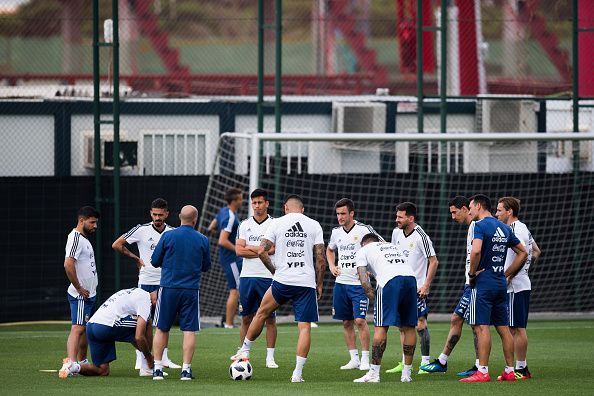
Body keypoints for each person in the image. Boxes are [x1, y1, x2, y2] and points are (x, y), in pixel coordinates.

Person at [230, 194, 326, 383]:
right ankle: (297, 374)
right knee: (304, 328)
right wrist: (320, 283)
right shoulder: (314, 225)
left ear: (285, 208)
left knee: (261, 313)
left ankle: (245, 349)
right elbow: (321, 259)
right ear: (303, 209)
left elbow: (261, 251)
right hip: (305, 283)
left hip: (282, 280)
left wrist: (274, 271)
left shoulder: (276, 223)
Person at [460, 194, 528, 383]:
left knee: (482, 327)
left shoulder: (479, 226)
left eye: (471, 207)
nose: (470, 211)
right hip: (500, 283)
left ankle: (482, 371)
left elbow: (476, 251)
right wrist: (506, 273)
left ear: (479, 206)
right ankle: (509, 370)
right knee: (504, 329)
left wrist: (472, 274)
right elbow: (523, 252)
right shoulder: (505, 228)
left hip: (484, 283)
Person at [111, 198, 180, 374]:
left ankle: (163, 358)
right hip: (145, 281)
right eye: (154, 214)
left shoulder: (172, 232)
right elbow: (117, 244)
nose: (157, 217)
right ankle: (140, 358)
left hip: (165, 281)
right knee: (143, 321)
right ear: (150, 213)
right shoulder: (141, 230)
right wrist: (135, 258)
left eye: (160, 214)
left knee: (163, 320)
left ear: (167, 214)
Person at [420, 196, 480, 376]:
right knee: (459, 320)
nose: (453, 217)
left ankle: (484, 367)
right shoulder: (472, 227)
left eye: (455, 212)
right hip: (469, 284)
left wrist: (473, 275)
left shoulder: (477, 226)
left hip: (476, 284)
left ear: (465, 208)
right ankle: (443, 361)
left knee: (478, 325)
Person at [151, 205, 211, 381]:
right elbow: (206, 266)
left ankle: (157, 369)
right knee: (189, 330)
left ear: (179, 217)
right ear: (196, 219)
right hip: (191, 290)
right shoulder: (202, 239)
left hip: (168, 288)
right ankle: (186, 370)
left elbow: (155, 261)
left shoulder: (168, 235)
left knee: (162, 328)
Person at [353, 233, 418, 383]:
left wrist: (374, 299)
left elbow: (364, 280)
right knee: (409, 327)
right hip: (410, 279)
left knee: (381, 327)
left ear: (364, 244)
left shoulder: (363, 250)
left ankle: (374, 374)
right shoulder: (390, 246)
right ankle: (406, 374)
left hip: (389, 281)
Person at [386, 202, 438, 375]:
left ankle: (425, 362)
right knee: (403, 326)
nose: (397, 220)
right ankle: (404, 361)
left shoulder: (421, 236)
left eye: (400, 217)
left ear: (411, 218)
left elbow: (433, 261)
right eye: (396, 216)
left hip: (417, 289)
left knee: (420, 324)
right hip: (400, 287)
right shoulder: (396, 233)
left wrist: (426, 285)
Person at [327, 198, 379, 371]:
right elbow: (329, 249)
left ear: (351, 213)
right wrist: (332, 266)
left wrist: (370, 268)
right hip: (341, 284)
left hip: (359, 285)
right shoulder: (336, 232)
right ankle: (354, 359)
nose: (340, 217)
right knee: (346, 322)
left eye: (343, 213)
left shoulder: (365, 229)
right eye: (338, 214)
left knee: (360, 321)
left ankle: (365, 359)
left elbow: (381, 247)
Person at [58, 288, 156, 378]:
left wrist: (144, 350)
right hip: (105, 326)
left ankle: (72, 367)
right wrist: (149, 357)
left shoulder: (135, 292)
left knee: (102, 370)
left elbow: (134, 337)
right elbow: (138, 337)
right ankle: (148, 368)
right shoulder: (146, 300)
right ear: (157, 299)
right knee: (146, 322)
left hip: (92, 326)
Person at [496, 196, 541, 380]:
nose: (496, 213)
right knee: (514, 327)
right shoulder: (522, 228)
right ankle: (519, 368)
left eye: (499, 210)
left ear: (510, 212)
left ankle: (521, 369)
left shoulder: (515, 229)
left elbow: (523, 255)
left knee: (516, 328)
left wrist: (510, 275)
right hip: (519, 283)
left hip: (515, 286)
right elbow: (536, 251)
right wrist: (525, 269)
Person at [235, 189, 278, 368]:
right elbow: (238, 251)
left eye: (260, 202)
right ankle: (244, 355)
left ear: (267, 203)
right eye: (254, 203)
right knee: (246, 317)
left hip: (268, 276)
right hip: (247, 277)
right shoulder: (244, 224)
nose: (257, 206)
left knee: (270, 319)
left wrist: (250, 249)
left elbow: (274, 249)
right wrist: (260, 250)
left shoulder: (275, 224)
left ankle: (270, 357)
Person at [60, 206, 100, 377]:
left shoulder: (84, 238)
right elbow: (68, 265)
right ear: (81, 220)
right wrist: (79, 288)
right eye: (92, 222)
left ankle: (82, 362)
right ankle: (71, 363)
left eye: (96, 222)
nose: (95, 226)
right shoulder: (75, 238)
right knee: (77, 328)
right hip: (81, 295)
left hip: (89, 294)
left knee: (85, 328)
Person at [208, 188, 243, 328]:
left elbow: (212, 226)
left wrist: (214, 231)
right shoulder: (230, 217)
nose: (242, 201)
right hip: (232, 260)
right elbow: (222, 241)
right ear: (234, 201)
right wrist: (239, 250)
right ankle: (229, 324)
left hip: (228, 259)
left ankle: (230, 321)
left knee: (237, 290)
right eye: (240, 198)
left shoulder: (223, 211)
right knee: (235, 291)